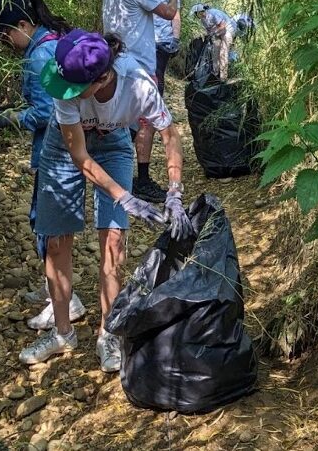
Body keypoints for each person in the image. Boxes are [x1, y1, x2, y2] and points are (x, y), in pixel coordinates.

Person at [18, 29, 193, 372]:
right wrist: (125, 197)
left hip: (113, 144)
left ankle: (108, 334)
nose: (68, 91)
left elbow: (170, 134)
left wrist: (174, 190)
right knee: (55, 241)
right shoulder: (65, 84)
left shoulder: (137, 85)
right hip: (64, 148)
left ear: (101, 78)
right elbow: (80, 158)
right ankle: (62, 331)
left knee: (114, 240)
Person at [0, 0, 87, 331]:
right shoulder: (47, 45)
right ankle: (52, 290)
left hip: (55, 151)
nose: (4, 43)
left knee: (47, 225)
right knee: (46, 222)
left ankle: (64, 302)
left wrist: (7, 118)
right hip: (62, 147)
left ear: (24, 26)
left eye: (5, 35)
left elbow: (46, 112)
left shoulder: (40, 54)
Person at [102, 0, 189, 203]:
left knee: (120, 119)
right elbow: (168, 12)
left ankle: (118, 176)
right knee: (148, 123)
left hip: (114, 63)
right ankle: (142, 179)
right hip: (138, 66)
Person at [145, 0, 181, 97]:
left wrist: (176, 39)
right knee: (145, 75)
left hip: (164, 39)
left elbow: (175, 14)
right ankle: (144, 108)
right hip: (145, 39)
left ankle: (157, 110)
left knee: (158, 74)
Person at [190, 3, 238, 81]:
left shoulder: (213, 14)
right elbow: (209, 30)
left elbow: (222, 26)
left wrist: (214, 32)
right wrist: (209, 35)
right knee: (215, 53)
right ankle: (215, 75)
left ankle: (223, 78)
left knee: (223, 53)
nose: (196, 16)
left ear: (200, 12)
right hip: (217, 33)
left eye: (196, 14)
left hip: (227, 30)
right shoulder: (203, 20)